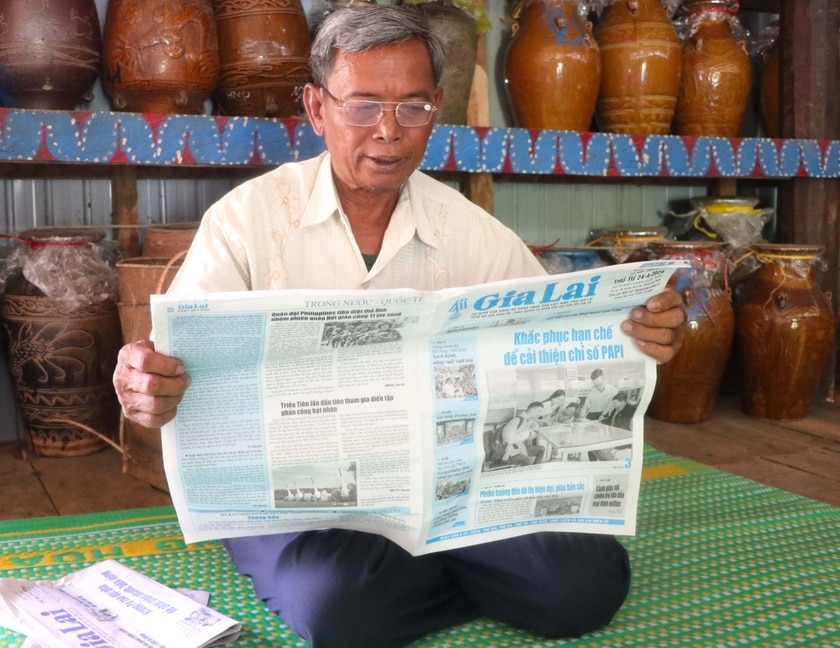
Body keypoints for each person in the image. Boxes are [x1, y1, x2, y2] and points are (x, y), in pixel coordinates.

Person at [113, 6, 686, 647]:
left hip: (447, 489)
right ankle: (450, 574)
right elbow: (173, 371)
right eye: (361, 105)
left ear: (436, 107)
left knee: (583, 586)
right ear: (316, 107)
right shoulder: (246, 221)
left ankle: (412, 569)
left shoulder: (468, 230)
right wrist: (144, 382)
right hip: (301, 500)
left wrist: (638, 332)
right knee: (337, 609)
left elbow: (560, 336)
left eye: (412, 107)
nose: (388, 131)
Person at [501, 401, 546, 465]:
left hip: (521, 448)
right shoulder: (517, 420)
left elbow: (529, 436)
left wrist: (533, 431)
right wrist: (530, 430)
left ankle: (536, 469)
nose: (540, 414)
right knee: (528, 461)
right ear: (532, 410)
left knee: (541, 449)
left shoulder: (528, 420)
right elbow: (509, 439)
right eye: (539, 411)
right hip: (511, 453)